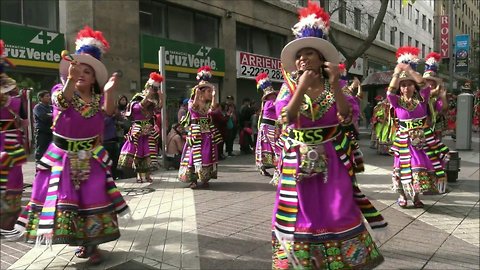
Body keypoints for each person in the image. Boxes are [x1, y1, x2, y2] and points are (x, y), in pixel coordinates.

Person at [271, 4, 385, 269]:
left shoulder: (338, 85)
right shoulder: (288, 87)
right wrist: (300, 86)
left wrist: (334, 84)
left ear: (321, 57)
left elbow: (346, 117)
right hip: (297, 161)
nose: (302, 59)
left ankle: (342, 261)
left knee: (338, 207)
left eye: (308, 53)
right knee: (300, 211)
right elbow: (286, 118)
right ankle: (302, 262)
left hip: (332, 158)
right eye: (299, 55)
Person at [14, 26, 129, 264]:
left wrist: (110, 91)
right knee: (65, 200)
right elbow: (62, 101)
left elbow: (108, 113)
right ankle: (79, 241)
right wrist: (69, 79)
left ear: (95, 77)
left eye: (88, 71)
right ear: (69, 72)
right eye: (78, 70)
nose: (82, 74)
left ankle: (91, 244)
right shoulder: (60, 91)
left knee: (93, 197)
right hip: (63, 157)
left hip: (91, 157)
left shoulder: (97, 97)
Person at [387, 46, 450, 207]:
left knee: (419, 168)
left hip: (421, 142)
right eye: (403, 85)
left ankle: (415, 197)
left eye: (409, 85)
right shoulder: (397, 103)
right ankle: (402, 196)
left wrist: (410, 71)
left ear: (414, 87)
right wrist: (397, 72)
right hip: (403, 142)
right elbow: (389, 93)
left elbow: (425, 86)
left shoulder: (422, 101)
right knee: (401, 169)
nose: (405, 88)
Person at [0, 39, 28, 238]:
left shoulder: (18, 103)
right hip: (12, 147)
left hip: (9, 148)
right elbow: (25, 125)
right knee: (12, 184)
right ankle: (7, 225)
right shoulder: (18, 103)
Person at [178, 65, 222, 189]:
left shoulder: (207, 104)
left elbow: (213, 109)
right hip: (196, 135)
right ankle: (194, 180)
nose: (210, 93)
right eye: (208, 91)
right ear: (201, 92)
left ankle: (205, 178)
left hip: (207, 133)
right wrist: (197, 94)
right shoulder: (193, 102)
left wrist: (213, 96)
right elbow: (193, 108)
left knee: (207, 155)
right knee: (194, 156)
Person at [118, 72, 163, 183]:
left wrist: (161, 98)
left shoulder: (154, 100)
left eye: (155, 88)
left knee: (149, 152)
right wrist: (146, 98)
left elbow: (157, 109)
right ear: (147, 86)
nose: (153, 90)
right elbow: (136, 108)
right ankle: (138, 175)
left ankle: (147, 175)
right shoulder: (138, 97)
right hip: (137, 128)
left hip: (148, 129)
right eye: (152, 87)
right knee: (138, 153)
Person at [254, 73, 279, 177]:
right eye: (273, 94)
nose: (275, 95)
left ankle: (265, 166)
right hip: (267, 128)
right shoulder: (270, 103)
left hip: (272, 127)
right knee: (273, 146)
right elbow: (280, 106)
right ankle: (266, 166)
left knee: (270, 147)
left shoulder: (270, 102)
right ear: (269, 96)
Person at [423, 52, 448, 142]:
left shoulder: (437, 97)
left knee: (436, 142)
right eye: (427, 82)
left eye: (431, 83)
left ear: (435, 84)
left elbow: (444, 109)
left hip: (436, 123)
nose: (429, 85)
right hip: (421, 124)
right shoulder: (419, 94)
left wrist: (443, 97)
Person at [33, 90, 53, 163]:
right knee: (41, 151)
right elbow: (44, 118)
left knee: (51, 152)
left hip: (51, 132)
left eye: (49, 96)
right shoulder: (38, 107)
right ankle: (38, 170)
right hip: (42, 133)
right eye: (47, 96)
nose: (49, 97)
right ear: (41, 98)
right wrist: (52, 115)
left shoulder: (51, 107)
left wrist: (51, 115)